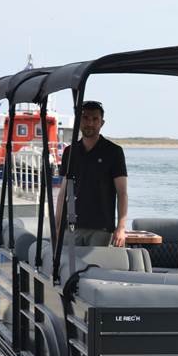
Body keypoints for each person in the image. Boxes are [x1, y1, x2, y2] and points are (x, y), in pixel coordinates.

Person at [55, 101, 128, 247]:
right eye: (86, 118)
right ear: (79, 121)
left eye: (95, 119)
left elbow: (122, 193)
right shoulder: (70, 152)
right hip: (72, 226)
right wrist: (57, 227)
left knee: (96, 267)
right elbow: (63, 193)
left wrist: (121, 227)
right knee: (69, 268)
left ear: (102, 123)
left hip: (101, 228)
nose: (90, 123)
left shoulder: (114, 152)